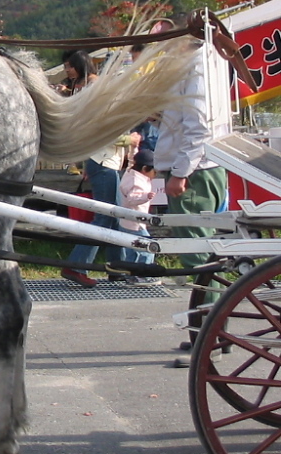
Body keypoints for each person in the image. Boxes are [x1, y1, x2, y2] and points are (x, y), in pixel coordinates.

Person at [153, 44, 228, 367]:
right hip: (202, 167)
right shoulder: (212, 58)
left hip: (194, 171)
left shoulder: (197, 62)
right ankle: (214, 332)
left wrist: (181, 172)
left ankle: (206, 338)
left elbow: (198, 125)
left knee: (199, 258)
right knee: (204, 255)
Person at [60, 130, 141, 287]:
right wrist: (129, 139)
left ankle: (117, 268)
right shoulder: (113, 106)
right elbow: (105, 134)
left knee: (114, 218)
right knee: (104, 217)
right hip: (104, 164)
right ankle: (76, 266)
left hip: (104, 164)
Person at [117, 148, 161, 286]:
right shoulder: (137, 182)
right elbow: (132, 198)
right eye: (154, 170)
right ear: (144, 168)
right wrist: (145, 197)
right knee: (148, 247)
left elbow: (132, 160)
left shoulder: (130, 173)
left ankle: (131, 275)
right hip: (136, 223)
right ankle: (144, 274)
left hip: (126, 221)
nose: (156, 174)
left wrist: (134, 149)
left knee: (132, 250)